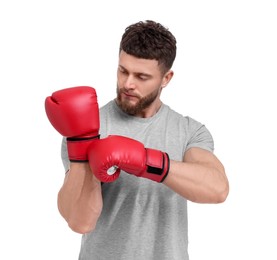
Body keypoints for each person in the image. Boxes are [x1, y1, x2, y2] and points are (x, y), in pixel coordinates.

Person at [45, 20, 229, 260]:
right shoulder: (89, 127)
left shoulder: (188, 131)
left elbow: (218, 189)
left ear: (166, 78)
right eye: (123, 71)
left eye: (142, 76)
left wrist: (143, 161)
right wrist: (82, 146)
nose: (128, 84)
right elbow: (80, 222)